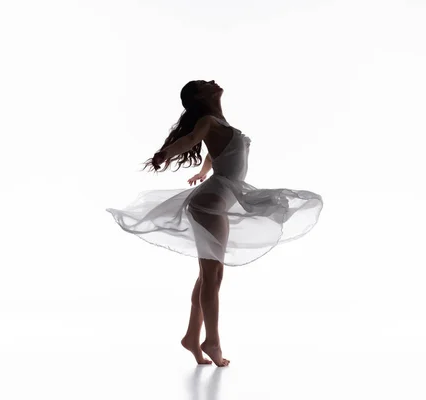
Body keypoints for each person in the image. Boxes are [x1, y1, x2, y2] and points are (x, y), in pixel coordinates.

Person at [106, 80, 323, 367]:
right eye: (204, 83)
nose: (212, 81)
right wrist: (166, 153)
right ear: (200, 96)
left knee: (209, 274)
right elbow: (190, 139)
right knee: (213, 276)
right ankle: (212, 341)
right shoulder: (208, 121)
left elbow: (215, 152)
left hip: (217, 198)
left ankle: (192, 338)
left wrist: (204, 169)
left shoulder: (219, 123)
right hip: (210, 201)